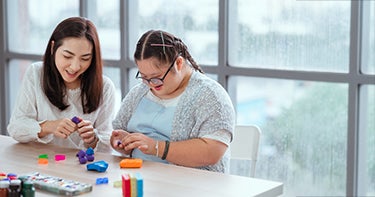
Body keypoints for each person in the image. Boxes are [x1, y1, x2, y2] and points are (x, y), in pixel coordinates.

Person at [110, 30, 235, 172]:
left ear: (179, 63)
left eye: (157, 77)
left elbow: (212, 152)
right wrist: (121, 142)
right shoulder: (139, 93)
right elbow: (119, 130)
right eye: (144, 77)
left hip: (192, 186)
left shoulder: (210, 96)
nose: (151, 84)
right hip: (140, 180)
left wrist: (156, 147)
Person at [7, 17, 116, 152]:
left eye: (85, 58)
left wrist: (93, 139)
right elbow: (16, 129)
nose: (75, 67)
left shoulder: (105, 87)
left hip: (80, 168)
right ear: (53, 48)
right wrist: (47, 127)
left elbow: (108, 147)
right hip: (40, 163)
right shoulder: (36, 74)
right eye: (67, 56)